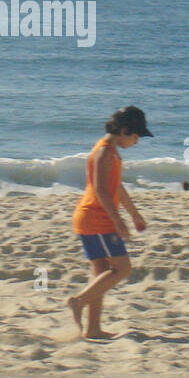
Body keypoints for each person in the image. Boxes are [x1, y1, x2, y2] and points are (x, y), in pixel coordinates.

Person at [67, 106, 152, 340]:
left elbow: (117, 187)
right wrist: (117, 220)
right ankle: (78, 302)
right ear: (124, 130)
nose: (137, 142)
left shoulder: (112, 151)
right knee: (123, 269)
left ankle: (93, 329)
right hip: (97, 219)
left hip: (89, 218)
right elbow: (102, 190)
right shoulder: (105, 152)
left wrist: (134, 214)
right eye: (136, 136)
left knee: (101, 276)